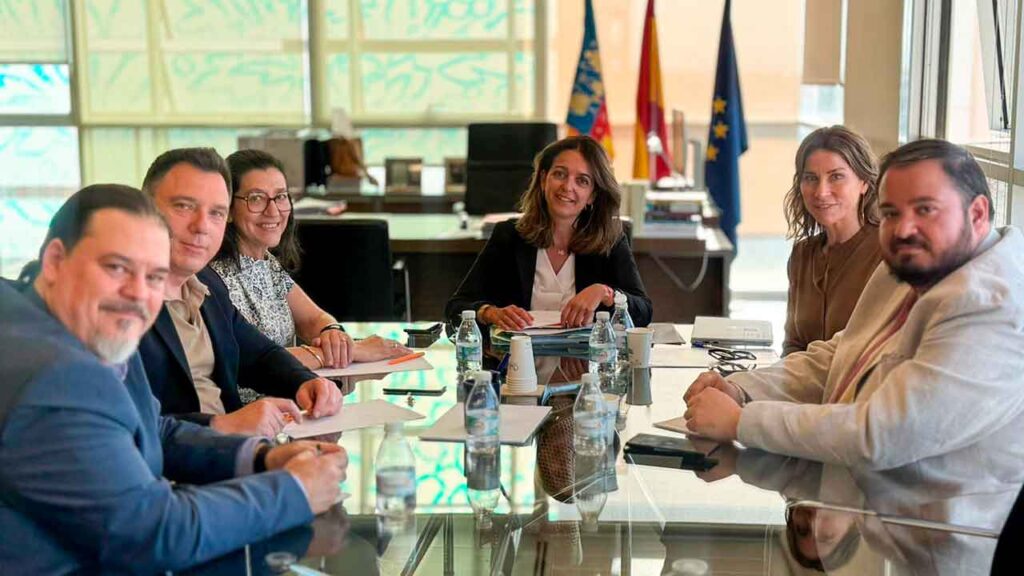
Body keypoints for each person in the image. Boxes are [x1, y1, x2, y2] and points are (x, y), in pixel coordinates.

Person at [0, 185, 347, 573]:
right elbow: (154, 533)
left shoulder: (76, 323)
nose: (137, 294)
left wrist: (260, 457)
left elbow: (151, 429)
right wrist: (295, 491)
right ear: (55, 260)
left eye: (154, 277)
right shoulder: (54, 376)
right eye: (116, 267)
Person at [682, 139, 1024, 483]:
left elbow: (883, 433)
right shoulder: (923, 262)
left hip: (938, 527)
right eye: (892, 213)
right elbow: (843, 355)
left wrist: (742, 422)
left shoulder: (992, 308)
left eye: (925, 210)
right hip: (864, 499)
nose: (904, 229)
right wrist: (742, 389)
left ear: (977, 214)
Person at [137, 148, 342, 437]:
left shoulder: (208, 285)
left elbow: (258, 355)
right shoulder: (121, 304)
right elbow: (129, 424)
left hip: (234, 454)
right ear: (144, 209)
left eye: (216, 212)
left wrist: (304, 382)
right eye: (184, 206)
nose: (201, 226)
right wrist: (221, 426)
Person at [208, 148, 409, 375]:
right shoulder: (213, 277)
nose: (273, 211)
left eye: (281, 196)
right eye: (256, 198)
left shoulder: (266, 262)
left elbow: (313, 318)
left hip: (289, 396)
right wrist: (349, 350)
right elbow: (250, 360)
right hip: (248, 406)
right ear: (228, 209)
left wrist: (331, 332)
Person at [445, 135, 652, 331]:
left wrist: (606, 293)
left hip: (583, 365)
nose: (567, 186)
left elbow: (643, 312)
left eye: (582, 181)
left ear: (592, 195)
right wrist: (488, 313)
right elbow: (456, 306)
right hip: (517, 363)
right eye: (559, 174)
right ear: (544, 180)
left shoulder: (610, 240)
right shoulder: (509, 236)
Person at [783, 126, 883, 355]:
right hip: (804, 387)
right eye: (811, 178)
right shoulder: (802, 254)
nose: (821, 192)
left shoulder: (886, 253)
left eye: (836, 177)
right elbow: (793, 346)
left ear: (864, 183)